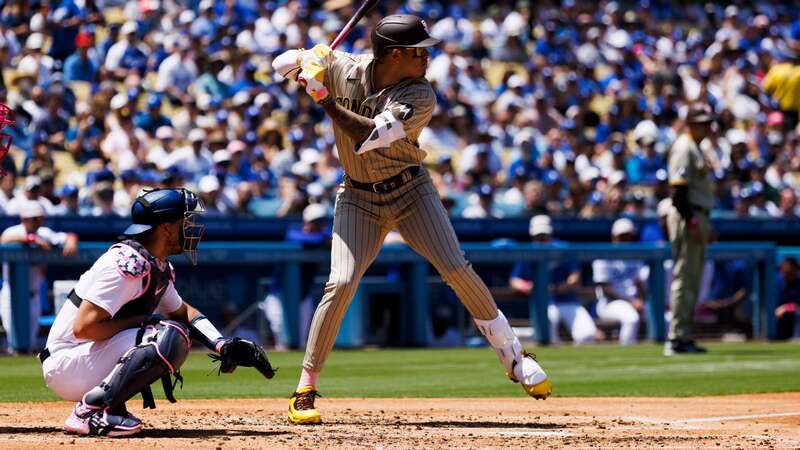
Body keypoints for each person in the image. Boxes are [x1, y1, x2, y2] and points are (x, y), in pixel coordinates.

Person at [273, 14, 550, 425]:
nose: (427, 58)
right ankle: (305, 386)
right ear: (396, 54)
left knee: (456, 268)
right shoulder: (344, 67)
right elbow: (279, 65)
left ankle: (513, 356)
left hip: (410, 191)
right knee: (343, 281)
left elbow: (367, 136)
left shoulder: (420, 93)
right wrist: (307, 59)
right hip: (358, 197)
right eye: (420, 51)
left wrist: (323, 99)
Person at [39, 188, 274, 436]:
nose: (190, 227)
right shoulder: (127, 263)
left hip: (83, 358)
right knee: (168, 335)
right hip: (66, 362)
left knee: (171, 329)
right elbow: (84, 327)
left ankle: (108, 405)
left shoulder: (153, 263)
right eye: (184, 221)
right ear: (165, 227)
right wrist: (141, 322)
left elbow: (183, 312)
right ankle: (90, 411)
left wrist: (222, 345)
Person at [665, 104, 715, 356]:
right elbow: (678, 192)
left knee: (692, 279)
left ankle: (684, 334)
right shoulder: (684, 147)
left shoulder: (695, 146)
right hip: (688, 216)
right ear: (690, 123)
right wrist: (694, 222)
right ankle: (676, 337)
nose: (707, 127)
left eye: (708, 122)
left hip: (697, 214)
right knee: (685, 278)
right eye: (702, 122)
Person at [1, 201, 78, 353]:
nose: (38, 221)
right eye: (34, 218)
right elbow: (5, 240)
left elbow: (68, 236)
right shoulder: (13, 231)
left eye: (40, 218)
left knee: (30, 344)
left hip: (33, 296)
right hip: (12, 296)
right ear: (24, 219)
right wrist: (31, 239)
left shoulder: (45, 233)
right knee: (15, 343)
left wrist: (71, 240)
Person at [510, 215, 596, 345]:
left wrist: (555, 288)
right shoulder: (528, 251)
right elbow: (515, 280)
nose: (542, 239)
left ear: (550, 233)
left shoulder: (562, 249)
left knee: (587, 335)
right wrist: (532, 288)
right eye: (538, 236)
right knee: (548, 335)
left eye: (544, 235)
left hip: (568, 301)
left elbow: (575, 277)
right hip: (544, 304)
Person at [592, 218, 647, 345]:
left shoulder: (635, 256)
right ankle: (626, 352)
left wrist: (640, 300)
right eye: (623, 236)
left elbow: (638, 283)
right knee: (631, 319)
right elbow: (605, 289)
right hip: (610, 304)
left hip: (634, 302)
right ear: (614, 237)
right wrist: (632, 302)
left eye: (629, 236)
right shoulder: (604, 257)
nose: (626, 240)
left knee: (664, 318)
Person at [775, 257, 800, 340]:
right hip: (775, 321)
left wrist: (787, 307)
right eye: (785, 272)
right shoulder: (775, 282)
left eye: (790, 272)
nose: (786, 275)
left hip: (793, 321)